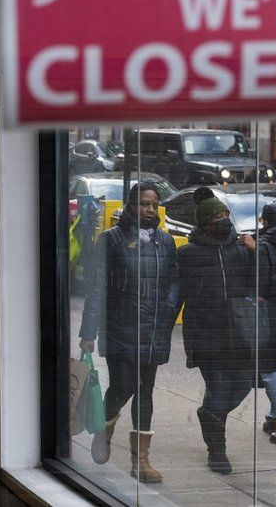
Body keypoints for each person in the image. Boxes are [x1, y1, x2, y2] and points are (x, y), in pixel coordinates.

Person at [78, 182, 180, 483]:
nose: (149, 209)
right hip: (120, 326)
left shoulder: (166, 241)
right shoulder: (111, 239)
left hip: (154, 329)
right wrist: (88, 331)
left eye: (153, 204)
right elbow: (96, 286)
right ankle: (103, 430)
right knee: (122, 386)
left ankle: (141, 460)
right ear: (130, 205)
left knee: (145, 392)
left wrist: (168, 309)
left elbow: (175, 280)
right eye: (143, 204)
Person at [177, 192, 257, 475]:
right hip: (207, 336)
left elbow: (259, 284)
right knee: (220, 390)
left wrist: (254, 252)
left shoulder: (239, 250)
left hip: (239, 335)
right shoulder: (188, 254)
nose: (223, 221)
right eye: (216, 218)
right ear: (204, 224)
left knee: (244, 385)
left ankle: (209, 414)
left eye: (225, 216)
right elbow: (177, 295)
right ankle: (217, 451)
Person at [240, 200, 276, 445]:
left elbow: (259, 281)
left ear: (264, 220)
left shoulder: (263, 245)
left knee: (271, 368)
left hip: (273, 311)